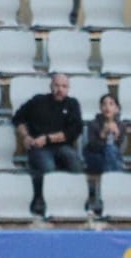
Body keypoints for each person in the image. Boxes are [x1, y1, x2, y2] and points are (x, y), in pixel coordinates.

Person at [12, 71, 84, 209]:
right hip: (39, 147)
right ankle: (45, 202)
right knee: (48, 168)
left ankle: (78, 202)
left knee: (75, 162)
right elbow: (17, 119)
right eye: (57, 85)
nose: (60, 89)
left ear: (68, 88)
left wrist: (48, 138)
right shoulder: (38, 101)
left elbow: (74, 130)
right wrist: (25, 136)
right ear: (51, 86)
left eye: (64, 86)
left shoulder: (72, 104)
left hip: (62, 146)